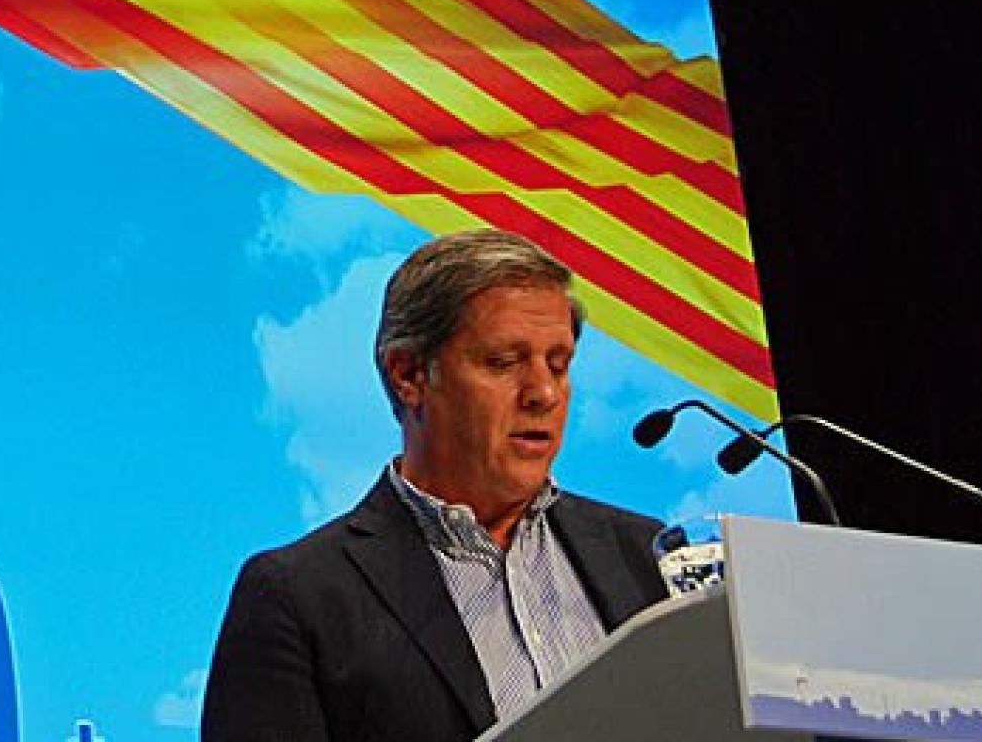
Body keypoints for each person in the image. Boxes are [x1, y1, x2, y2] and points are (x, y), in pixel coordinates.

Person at [202, 229, 669, 742]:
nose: (543, 393)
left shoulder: (646, 556)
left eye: (558, 365)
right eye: (503, 363)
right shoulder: (300, 597)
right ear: (409, 375)